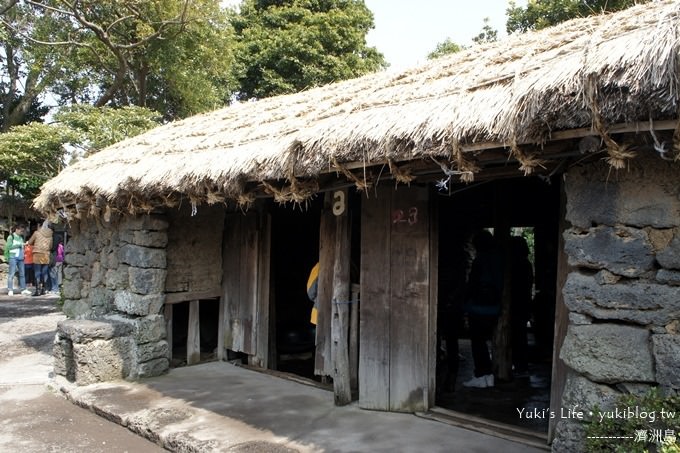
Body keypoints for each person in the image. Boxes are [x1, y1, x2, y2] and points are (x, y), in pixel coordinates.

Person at [462, 230, 504, 389]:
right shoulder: (498, 258)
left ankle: (481, 375)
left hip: (478, 308)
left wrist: (463, 300)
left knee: (477, 343)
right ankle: (488, 376)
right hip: (493, 307)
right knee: (484, 342)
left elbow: (472, 284)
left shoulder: (481, 260)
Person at [510, 236, 533, 377]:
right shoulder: (526, 264)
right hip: (523, 304)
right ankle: (520, 365)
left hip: (518, 305)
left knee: (518, 337)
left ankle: (520, 366)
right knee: (520, 336)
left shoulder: (519, 264)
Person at [4, 225, 32, 296]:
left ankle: (23, 289)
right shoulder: (11, 237)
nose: (21, 232)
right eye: (21, 231)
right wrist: (19, 245)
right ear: (16, 229)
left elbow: (21, 247)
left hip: (20, 258)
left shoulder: (21, 238)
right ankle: (10, 289)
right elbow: (9, 247)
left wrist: (24, 245)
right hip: (13, 257)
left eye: (22, 231)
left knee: (22, 274)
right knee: (11, 274)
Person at [27, 221, 53, 296]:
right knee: (44, 272)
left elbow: (29, 242)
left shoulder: (36, 233)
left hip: (37, 254)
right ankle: (43, 289)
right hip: (46, 254)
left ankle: (37, 290)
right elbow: (51, 246)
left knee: (37, 272)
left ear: (40, 226)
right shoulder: (50, 234)